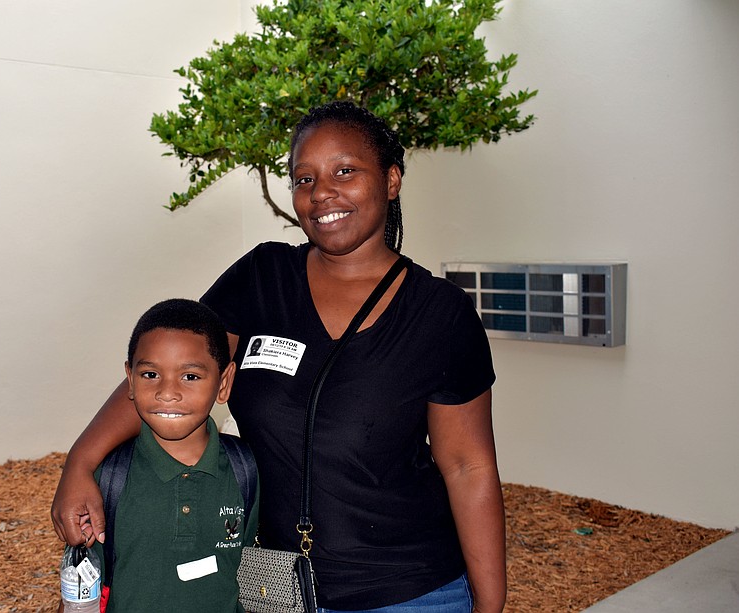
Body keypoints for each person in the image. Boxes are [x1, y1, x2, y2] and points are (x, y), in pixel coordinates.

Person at [52, 101, 506, 612]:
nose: (321, 193)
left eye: (345, 171)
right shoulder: (262, 279)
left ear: (392, 180)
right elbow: (171, 369)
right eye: (303, 178)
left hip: (411, 592)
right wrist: (81, 462)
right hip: (277, 591)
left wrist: (490, 605)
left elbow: (468, 467)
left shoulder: (439, 314)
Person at [71, 299, 259, 612]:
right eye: (150, 375)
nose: (167, 393)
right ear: (130, 380)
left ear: (224, 383)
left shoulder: (244, 469)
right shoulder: (108, 478)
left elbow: (248, 564)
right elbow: (79, 585)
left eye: (190, 377)